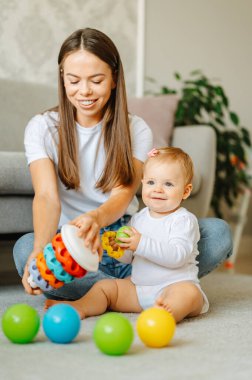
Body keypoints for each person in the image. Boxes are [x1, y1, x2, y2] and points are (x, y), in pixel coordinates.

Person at [13, 27, 232, 302]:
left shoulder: (135, 128)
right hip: (74, 244)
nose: (84, 91)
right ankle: (137, 291)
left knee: (218, 233)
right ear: (62, 80)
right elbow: (46, 196)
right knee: (23, 250)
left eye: (96, 80)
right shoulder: (42, 127)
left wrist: (97, 218)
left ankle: (112, 293)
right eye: (74, 80)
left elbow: (123, 193)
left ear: (114, 79)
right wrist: (40, 250)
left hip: (130, 240)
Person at [45, 147, 209, 323]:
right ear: (142, 183)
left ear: (185, 191)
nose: (158, 189)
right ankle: (80, 306)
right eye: (151, 182)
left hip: (174, 285)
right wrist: (120, 249)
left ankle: (165, 314)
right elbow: (130, 258)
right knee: (105, 288)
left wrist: (140, 243)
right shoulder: (139, 219)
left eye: (168, 184)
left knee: (188, 294)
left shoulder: (183, 220)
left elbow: (178, 257)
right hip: (138, 289)